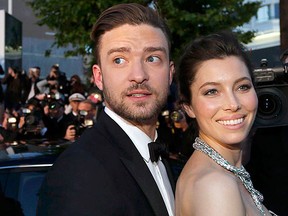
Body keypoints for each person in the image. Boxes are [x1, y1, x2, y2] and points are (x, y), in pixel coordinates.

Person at [37, 3, 175, 216]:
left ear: (170, 73)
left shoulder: (168, 158)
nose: (138, 75)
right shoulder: (77, 173)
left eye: (152, 58)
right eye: (119, 60)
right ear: (99, 77)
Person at [175, 31, 277, 216]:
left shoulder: (222, 172)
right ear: (188, 107)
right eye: (212, 91)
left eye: (242, 87)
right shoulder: (215, 186)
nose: (233, 104)